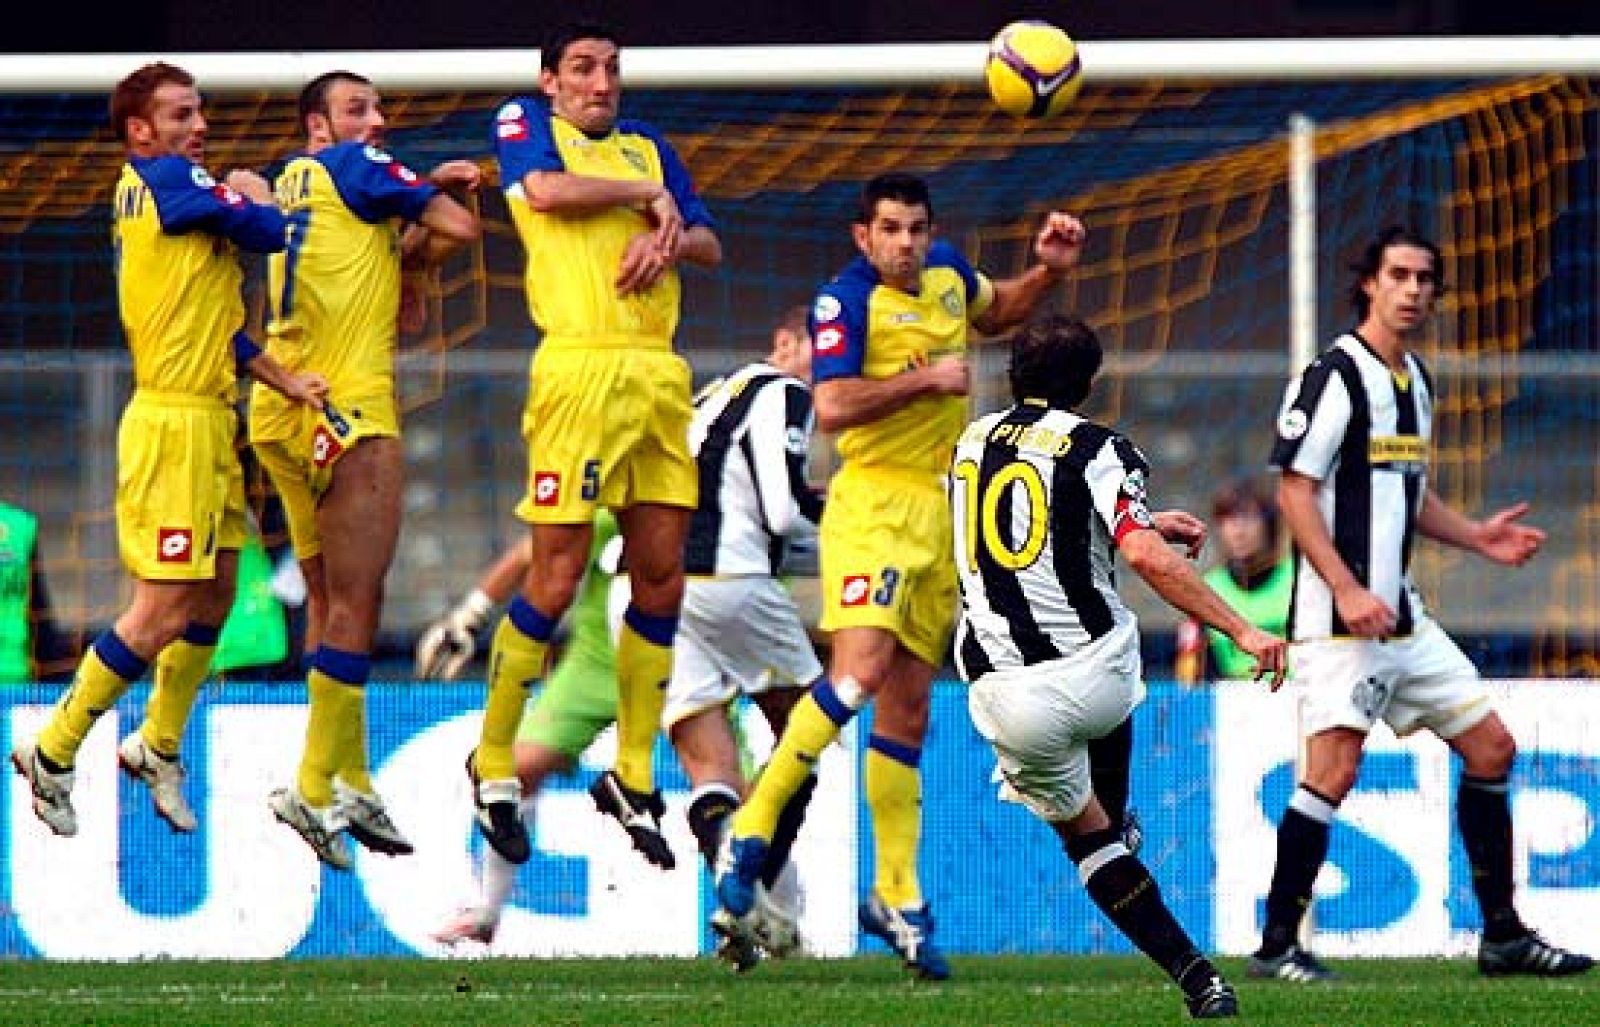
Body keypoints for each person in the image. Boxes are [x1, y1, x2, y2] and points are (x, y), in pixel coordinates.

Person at [716, 171, 1085, 981]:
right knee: (859, 673)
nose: (907, 244)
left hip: (938, 512)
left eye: (916, 228)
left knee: (909, 710)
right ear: (863, 235)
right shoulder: (843, 303)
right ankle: (751, 827)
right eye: (891, 229)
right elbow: (835, 402)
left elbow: (1003, 309)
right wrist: (926, 378)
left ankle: (896, 893)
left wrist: (1048, 271)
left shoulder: (950, 274)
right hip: (873, 506)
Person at [1250, 226, 1592, 981]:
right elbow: (1294, 489)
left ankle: (1501, 935)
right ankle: (1277, 942)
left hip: (1402, 617)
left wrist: (1474, 536)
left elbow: (1406, 490)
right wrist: (1343, 585)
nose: (1412, 289)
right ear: (1368, 282)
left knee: (1492, 745)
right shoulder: (1335, 373)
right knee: (1333, 770)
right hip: (1338, 622)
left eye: (1424, 278)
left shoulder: (1416, 381)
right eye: (1398, 274)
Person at [10, 62, 327, 838]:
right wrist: (257, 193)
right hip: (170, 428)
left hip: (210, 418)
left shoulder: (178, 195)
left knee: (216, 593)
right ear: (140, 130)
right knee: (160, 608)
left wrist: (282, 378)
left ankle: (156, 743)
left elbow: (218, 324)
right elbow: (268, 229)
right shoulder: (166, 184)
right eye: (181, 114)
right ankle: (54, 747)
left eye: (199, 112)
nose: (200, 126)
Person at [950, 314, 1287, 1019]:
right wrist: (1242, 628)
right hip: (1100, 678)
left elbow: (1019, 517)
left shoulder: (970, 440)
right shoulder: (1102, 448)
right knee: (1112, 623)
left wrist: (1139, 517)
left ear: (1013, 374)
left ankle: (1198, 977)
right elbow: (1138, 555)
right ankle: (1119, 795)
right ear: (1089, 385)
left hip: (1007, 696)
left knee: (1091, 842)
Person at [472, 21, 723, 868]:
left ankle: (631, 770)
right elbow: (540, 191)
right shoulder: (526, 126)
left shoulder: (651, 146)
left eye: (612, 66)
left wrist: (670, 238)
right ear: (550, 81)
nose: (600, 81)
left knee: (661, 576)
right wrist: (638, 202)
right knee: (556, 572)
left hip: (656, 376)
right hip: (578, 373)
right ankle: (494, 759)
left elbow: (708, 238)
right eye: (582, 67)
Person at [249, 69, 481, 870]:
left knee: (323, 596)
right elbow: (459, 225)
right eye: (359, 110)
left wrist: (411, 222)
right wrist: (429, 183)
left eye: (379, 108)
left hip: (282, 404)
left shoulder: (297, 183)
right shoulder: (359, 169)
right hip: (349, 407)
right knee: (360, 599)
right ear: (319, 124)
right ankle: (314, 783)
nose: (377, 121)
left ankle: (348, 773)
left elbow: (402, 254)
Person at [667, 308, 825, 968]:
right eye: (823, 347)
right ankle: (747, 890)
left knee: (712, 771)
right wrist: (858, 525)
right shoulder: (785, 391)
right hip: (732, 577)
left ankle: (742, 904)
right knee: (810, 732)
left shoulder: (715, 394)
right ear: (783, 343)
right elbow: (784, 510)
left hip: (663, 585)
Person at [430, 510, 626, 947]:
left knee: (732, 792)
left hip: (682, 662)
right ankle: (485, 910)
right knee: (516, 771)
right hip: (599, 661)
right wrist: (471, 613)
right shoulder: (615, 497)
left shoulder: (704, 488)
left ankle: (773, 918)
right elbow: (535, 550)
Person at [1174, 477, 1292, 684]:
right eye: (1227, 520)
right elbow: (1188, 673)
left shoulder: (1296, 579)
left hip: (1293, 695)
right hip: (1231, 702)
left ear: (1269, 524)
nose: (1238, 531)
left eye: (1248, 518)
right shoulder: (1207, 588)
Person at [0, 499, 78, 685]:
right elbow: (41, 619)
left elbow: (38, 614)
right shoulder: (19, 524)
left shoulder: (19, 526)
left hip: (15, 682)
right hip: (15, 679)